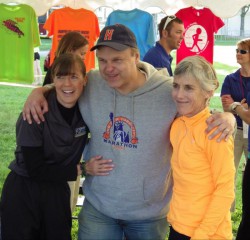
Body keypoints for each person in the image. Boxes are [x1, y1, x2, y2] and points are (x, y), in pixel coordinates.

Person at [22, 24, 236, 240]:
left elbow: (195, 108)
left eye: (117, 60)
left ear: (135, 56)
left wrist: (227, 117)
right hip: (100, 209)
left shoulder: (167, 90)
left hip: (149, 214)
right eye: (103, 61)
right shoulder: (93, 83)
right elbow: (67, 85)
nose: (108, 68)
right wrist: (40, 91)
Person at [0, 53, 90, 240]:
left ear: (85, 80)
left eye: (74, 76)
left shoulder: (88, 109)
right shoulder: (35, 110)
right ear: (53, 79)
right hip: (24, 189)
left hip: (57, 190)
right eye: (60, 77)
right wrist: (82, 168)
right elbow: (35, 169)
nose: (67, 84)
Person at [167, 56, 235, 240]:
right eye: (176, 85)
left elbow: (225, 190)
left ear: (208, 92)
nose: (179, 94)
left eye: (189, 87)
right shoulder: (177, 125)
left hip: (208, 233)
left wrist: (202, 235)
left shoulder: (215, 131)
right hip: (178, 225)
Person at [222, 40, 250, 240]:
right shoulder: (231, 78)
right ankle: (226, 213)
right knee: (228, 172)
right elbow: (225, 106)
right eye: (237, 51)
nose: (238, 54)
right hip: (235, 131)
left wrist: (235, 106)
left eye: (243, 51)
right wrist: (238, 107)